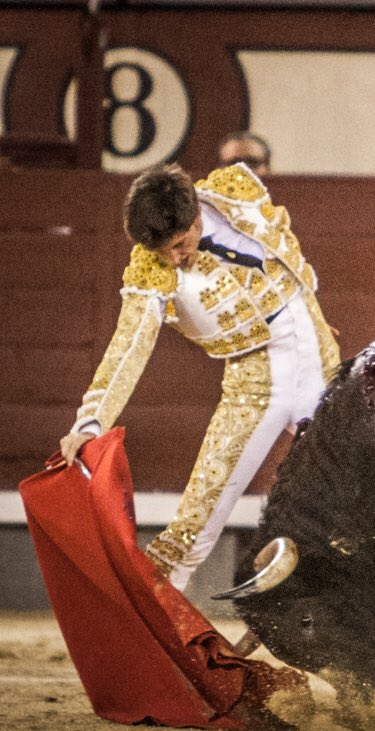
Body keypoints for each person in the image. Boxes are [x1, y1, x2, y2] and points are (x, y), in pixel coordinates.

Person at [59, 163, 341, 591]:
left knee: (355, 484)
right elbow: (129, 344)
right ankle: (154, 626)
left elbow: (286, 251)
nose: (174, 257)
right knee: (197, 519)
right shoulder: (150, 269)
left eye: (179, 243)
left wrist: (314, 321)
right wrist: (90, 421)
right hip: (256, 378)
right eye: (162, 252)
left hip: (317, 351)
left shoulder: (236, 189)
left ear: (195, 218)